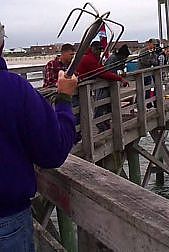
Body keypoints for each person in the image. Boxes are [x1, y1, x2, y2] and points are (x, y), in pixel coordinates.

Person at [0, 27, 77, 251]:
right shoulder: (14, 88)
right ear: (2, 46)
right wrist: (64, 99)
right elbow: (53, 152)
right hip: (7, 221)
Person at [77, 41, 128, 131]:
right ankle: (96, 127)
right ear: (92, 49)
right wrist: (120, 79)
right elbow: (103, 73)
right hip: (81, 88)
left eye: (101, 50)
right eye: (97, 49)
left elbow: (102, 70)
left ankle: (103, 124)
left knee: (93, 107)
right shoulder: (89, 59)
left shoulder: (93, 58)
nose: (99, 52)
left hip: (90, 87)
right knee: (84, 111)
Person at [138, 39, 159, 108]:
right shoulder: (143, 51)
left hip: (148, 73)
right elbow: (144, 62)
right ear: (149, 44)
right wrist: (152, 61)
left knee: (148, 88)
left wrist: (152, 60)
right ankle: (137, 104)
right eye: (153, 44)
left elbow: (156, 62)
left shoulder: (154, 52)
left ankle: (148, 104)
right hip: (142, 73)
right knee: (140, 89)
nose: (154, 46)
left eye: (155, 45)